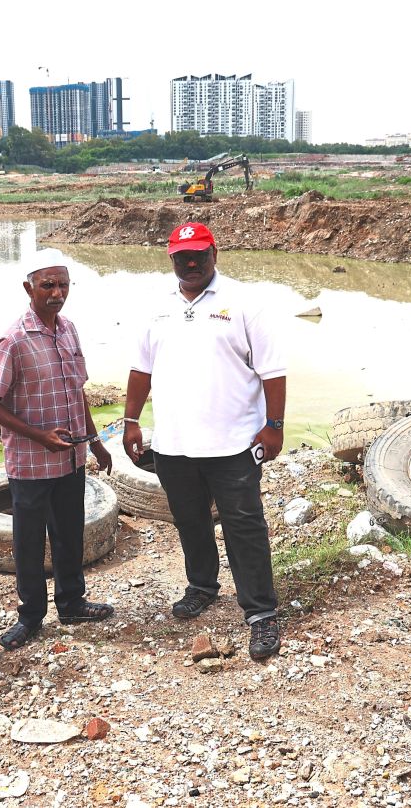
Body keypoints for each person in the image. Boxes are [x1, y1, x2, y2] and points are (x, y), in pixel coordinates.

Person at [121, 222, 286, 660]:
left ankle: (261, 612)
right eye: (182, 256)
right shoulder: (156, 307)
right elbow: (141, 370)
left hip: (234, 443)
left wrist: (274, 425)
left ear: (216, 253)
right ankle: (202, 586)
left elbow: (273, 371)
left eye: (199, 254)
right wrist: (130, 420)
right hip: (174, 444)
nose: (191, 263)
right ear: (170, 258)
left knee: (244, 527)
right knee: (189, 519)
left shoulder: (245, 303)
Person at [0, 254, 115, 650]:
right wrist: (39, 436)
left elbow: (77, 392)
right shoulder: (13, 340)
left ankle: (72, 603)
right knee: (28, 542)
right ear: (29, 289)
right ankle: (30, 616)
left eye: (64, 286)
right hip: (31, 463)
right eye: (48, 286)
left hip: (71, 458)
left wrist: (95, 442)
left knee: (69, 533)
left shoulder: (68, 330)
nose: (57, 294)